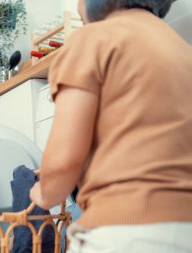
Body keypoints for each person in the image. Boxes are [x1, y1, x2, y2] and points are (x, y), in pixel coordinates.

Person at [30, 0, 192, 252]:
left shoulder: (92, 39)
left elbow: (62, 163)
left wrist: (42, 192)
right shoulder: (184, 51)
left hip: (121, 233)